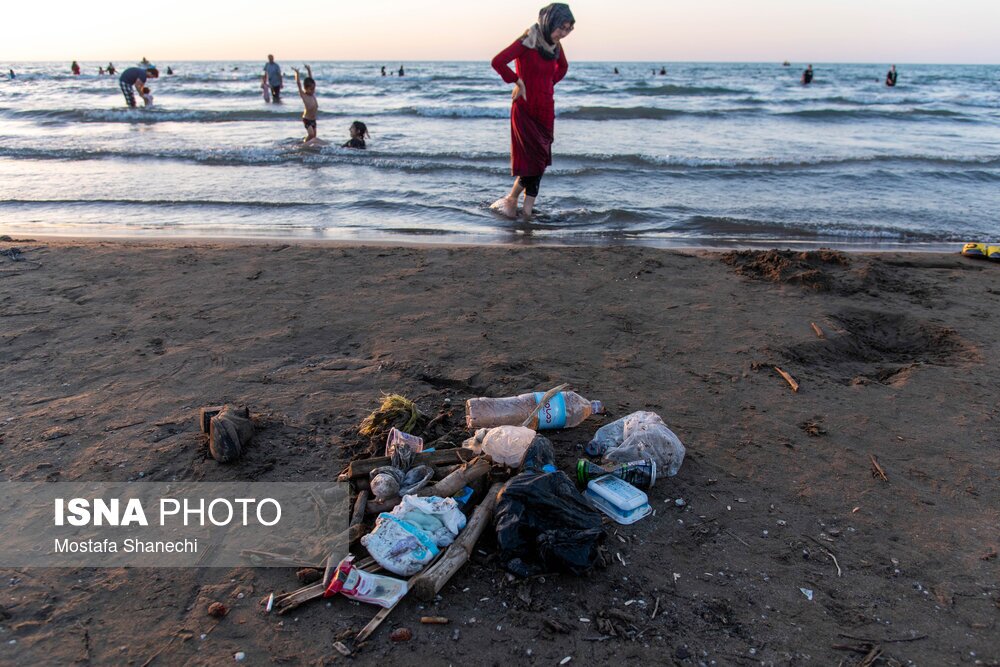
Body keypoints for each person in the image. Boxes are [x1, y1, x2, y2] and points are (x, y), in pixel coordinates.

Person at [490, 3, 574, 220]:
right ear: (549, 22)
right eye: (560, 28)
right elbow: (498, 61)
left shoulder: (554, 46)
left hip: (546, 110)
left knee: (539, 163)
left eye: (567, 29)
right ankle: (524, 211)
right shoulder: (527, 41)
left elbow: (562, 67)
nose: (563, 34)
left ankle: (515, 203)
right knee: (534, 163)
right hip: (526, 109)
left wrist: (548, 84)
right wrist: (518, 81)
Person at [293, 65, 318, 143]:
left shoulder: (313, 94)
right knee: (311, 134)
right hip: (307, 119)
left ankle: (309, 146)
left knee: (314, 136)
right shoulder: (304, 95)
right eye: (311, 89)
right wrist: (297, 73)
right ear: (306, 88)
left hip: (313, 119)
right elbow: (298, 84)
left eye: (314, 88)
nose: (313, 90)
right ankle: (304, 143)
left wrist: (309, 70)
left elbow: (311, 78)